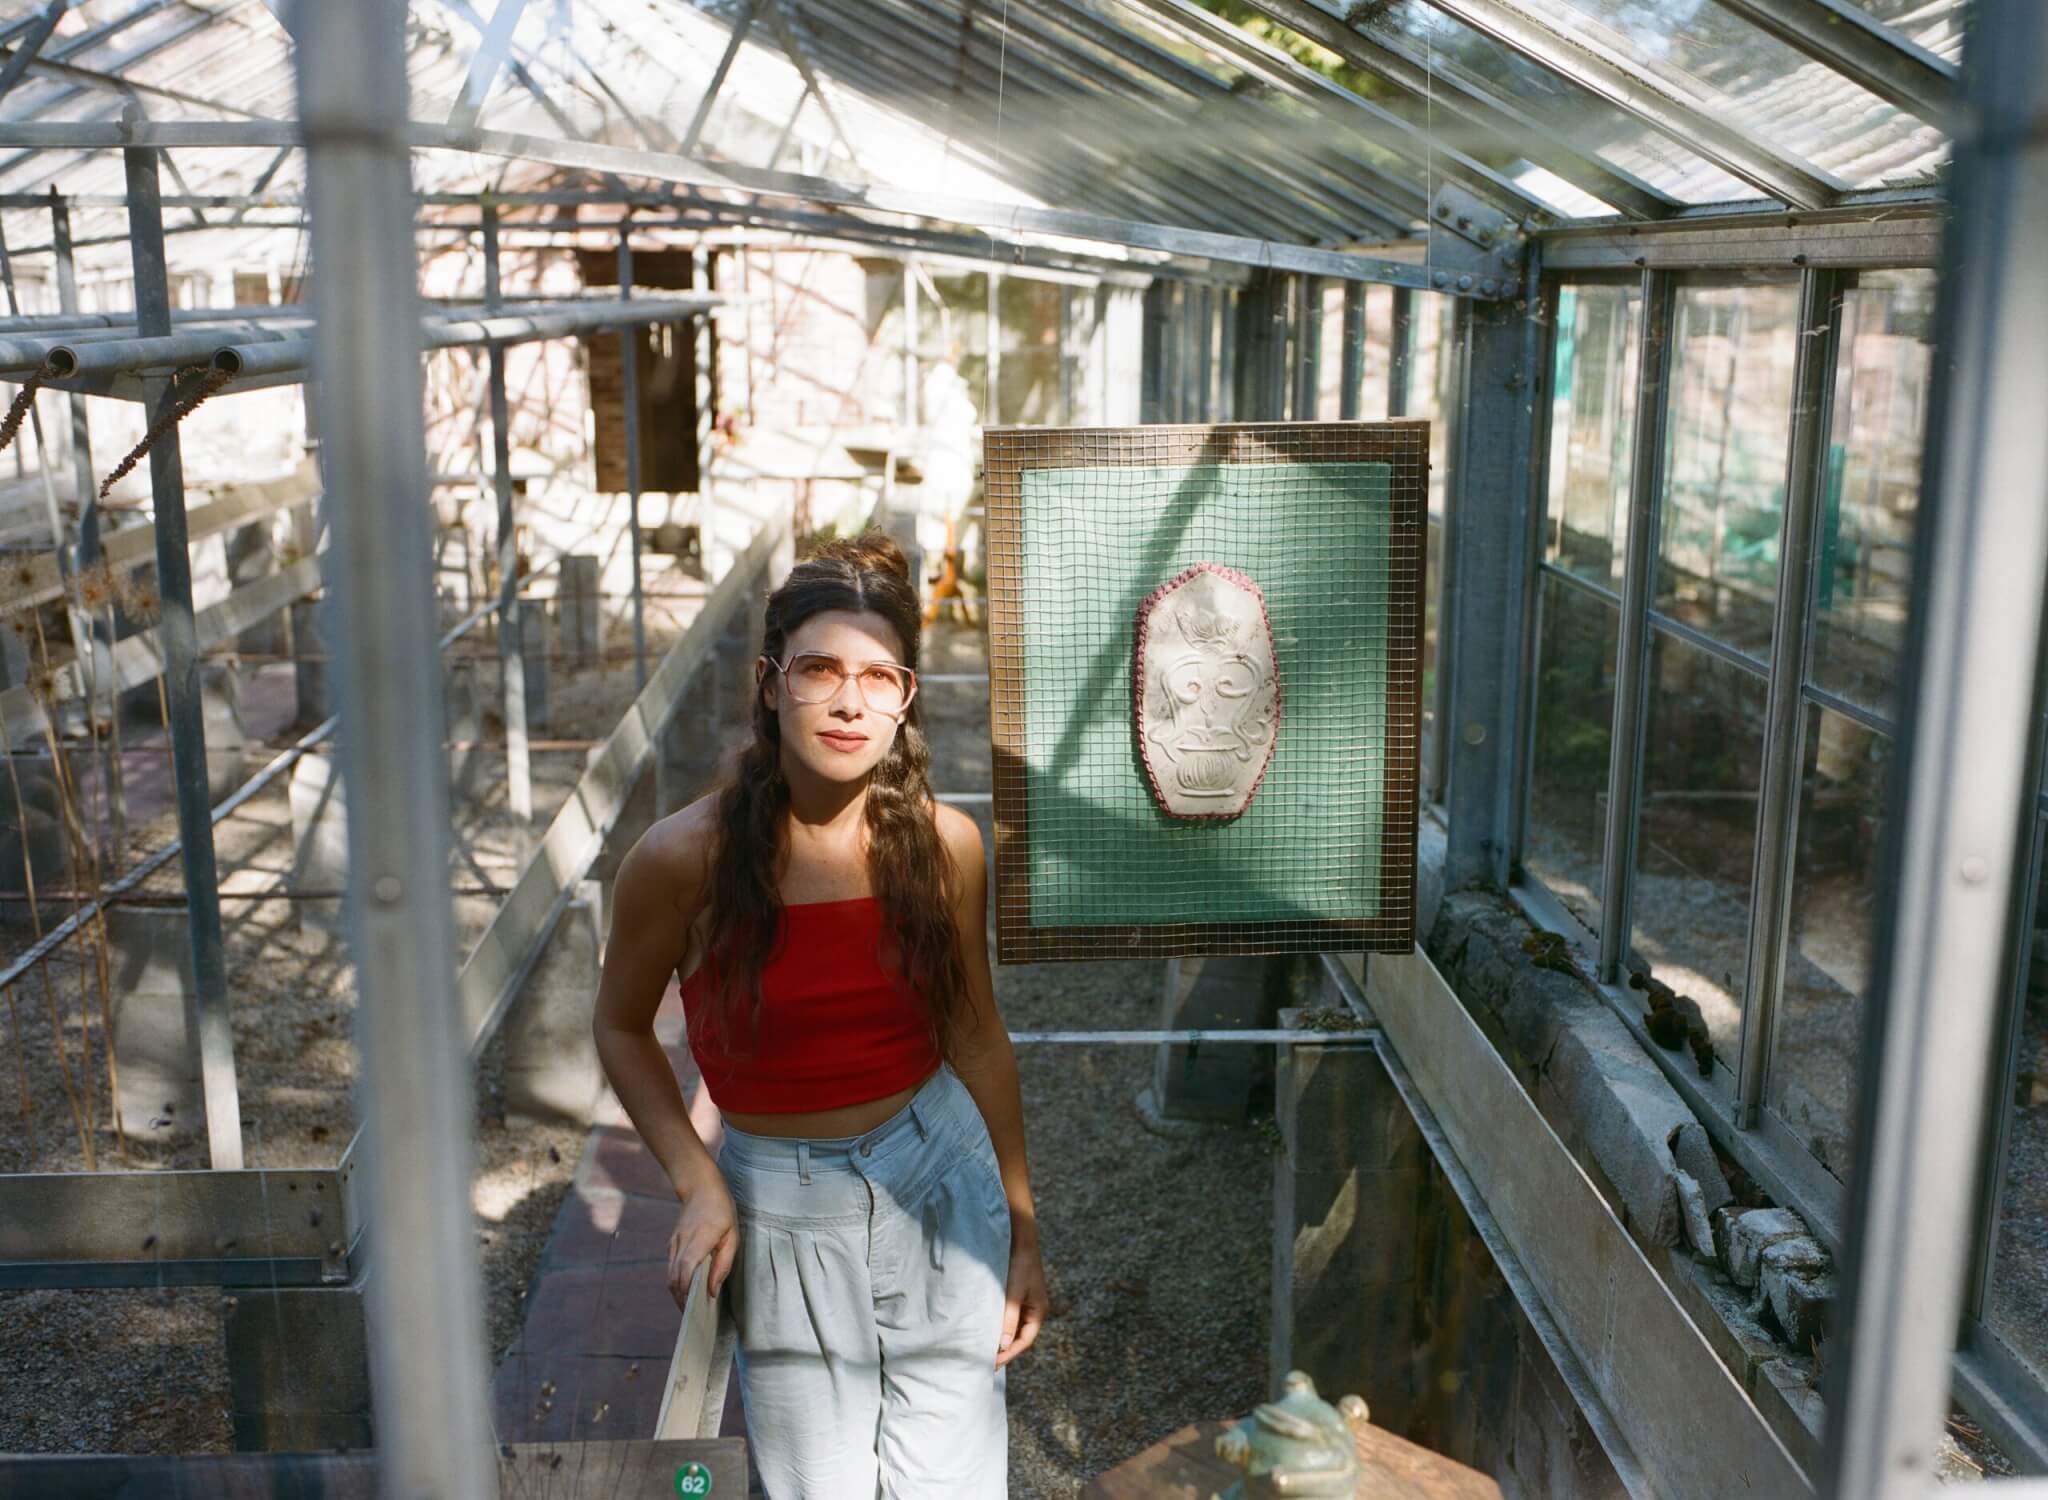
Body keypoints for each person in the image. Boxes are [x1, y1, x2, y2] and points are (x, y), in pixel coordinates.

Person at [593, 530, 1048, 1498]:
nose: (849, 701)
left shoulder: (944, 844)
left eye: (880, 678)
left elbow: (974, 1034)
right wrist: (697, 1180)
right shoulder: (682, 860)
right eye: (819, 671)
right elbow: (621, 1027)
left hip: (939, 1176)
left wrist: (1020, 1227)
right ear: (768, 684)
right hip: (781, 1203)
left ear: (906, 701)